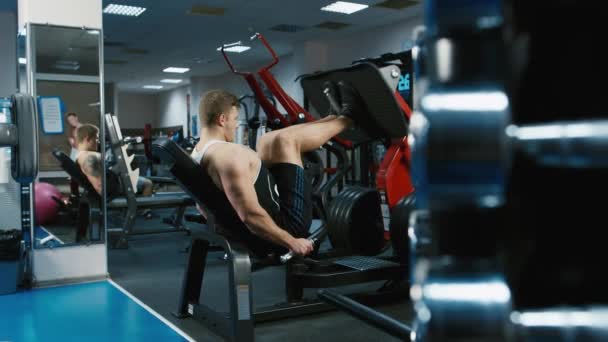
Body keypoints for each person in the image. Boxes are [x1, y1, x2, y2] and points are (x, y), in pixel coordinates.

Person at [191, 87, 358, 257]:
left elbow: (202, 206)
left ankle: (332, 118)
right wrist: (292, 242)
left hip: (260, 223)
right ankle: (349, 118)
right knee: (287, 140)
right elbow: (250, 215)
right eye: (235, 119)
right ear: (222, 119)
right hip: (287, 225)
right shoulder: (229, 156)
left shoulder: (196, 154)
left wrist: (230, 229)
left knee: (267, 140)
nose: (236, 125)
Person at [75, 124, 154, 197]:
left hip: (113, 182)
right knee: (148, 183)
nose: (98, 142)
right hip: (114, 187)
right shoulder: (89, 158)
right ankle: (142, 211)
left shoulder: (81, 155)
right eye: (96, 138)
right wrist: (120, 181)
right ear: (88, 139)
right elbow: (100, 187)